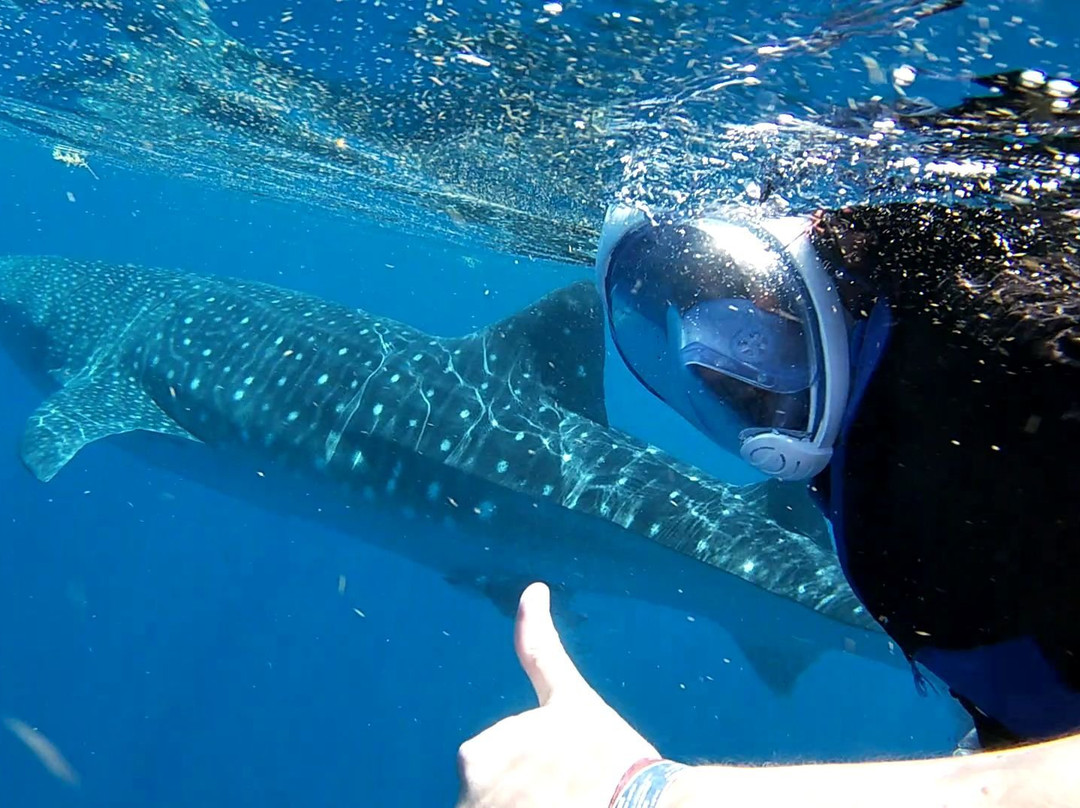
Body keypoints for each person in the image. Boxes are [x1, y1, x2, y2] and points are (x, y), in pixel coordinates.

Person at [457, 73, 1080, 805]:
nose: (708, 356)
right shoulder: (883, 421)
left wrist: (641, 794)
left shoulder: (1018, 373)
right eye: (676, 311)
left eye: (738, 305)